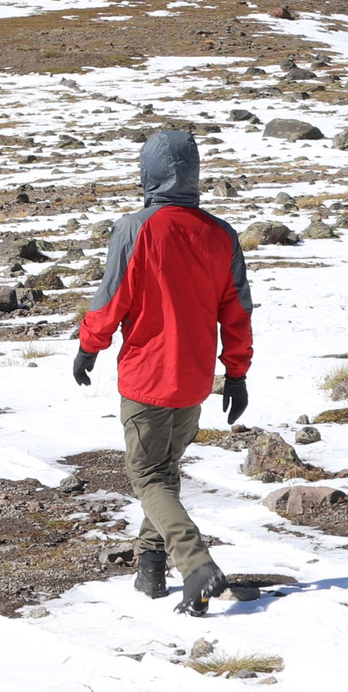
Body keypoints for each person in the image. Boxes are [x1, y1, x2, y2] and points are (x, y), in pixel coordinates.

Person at [71, 128, 253, 615]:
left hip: (148, 379)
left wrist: (89, 346)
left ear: (147, 171)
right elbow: (237, 313)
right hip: (193, 382)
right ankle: (150, 569)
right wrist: (235, 374)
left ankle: (197, 566)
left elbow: (112, 299)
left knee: (149, 478)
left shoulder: (136, 228)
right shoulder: (219, 234)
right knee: (165, 473)